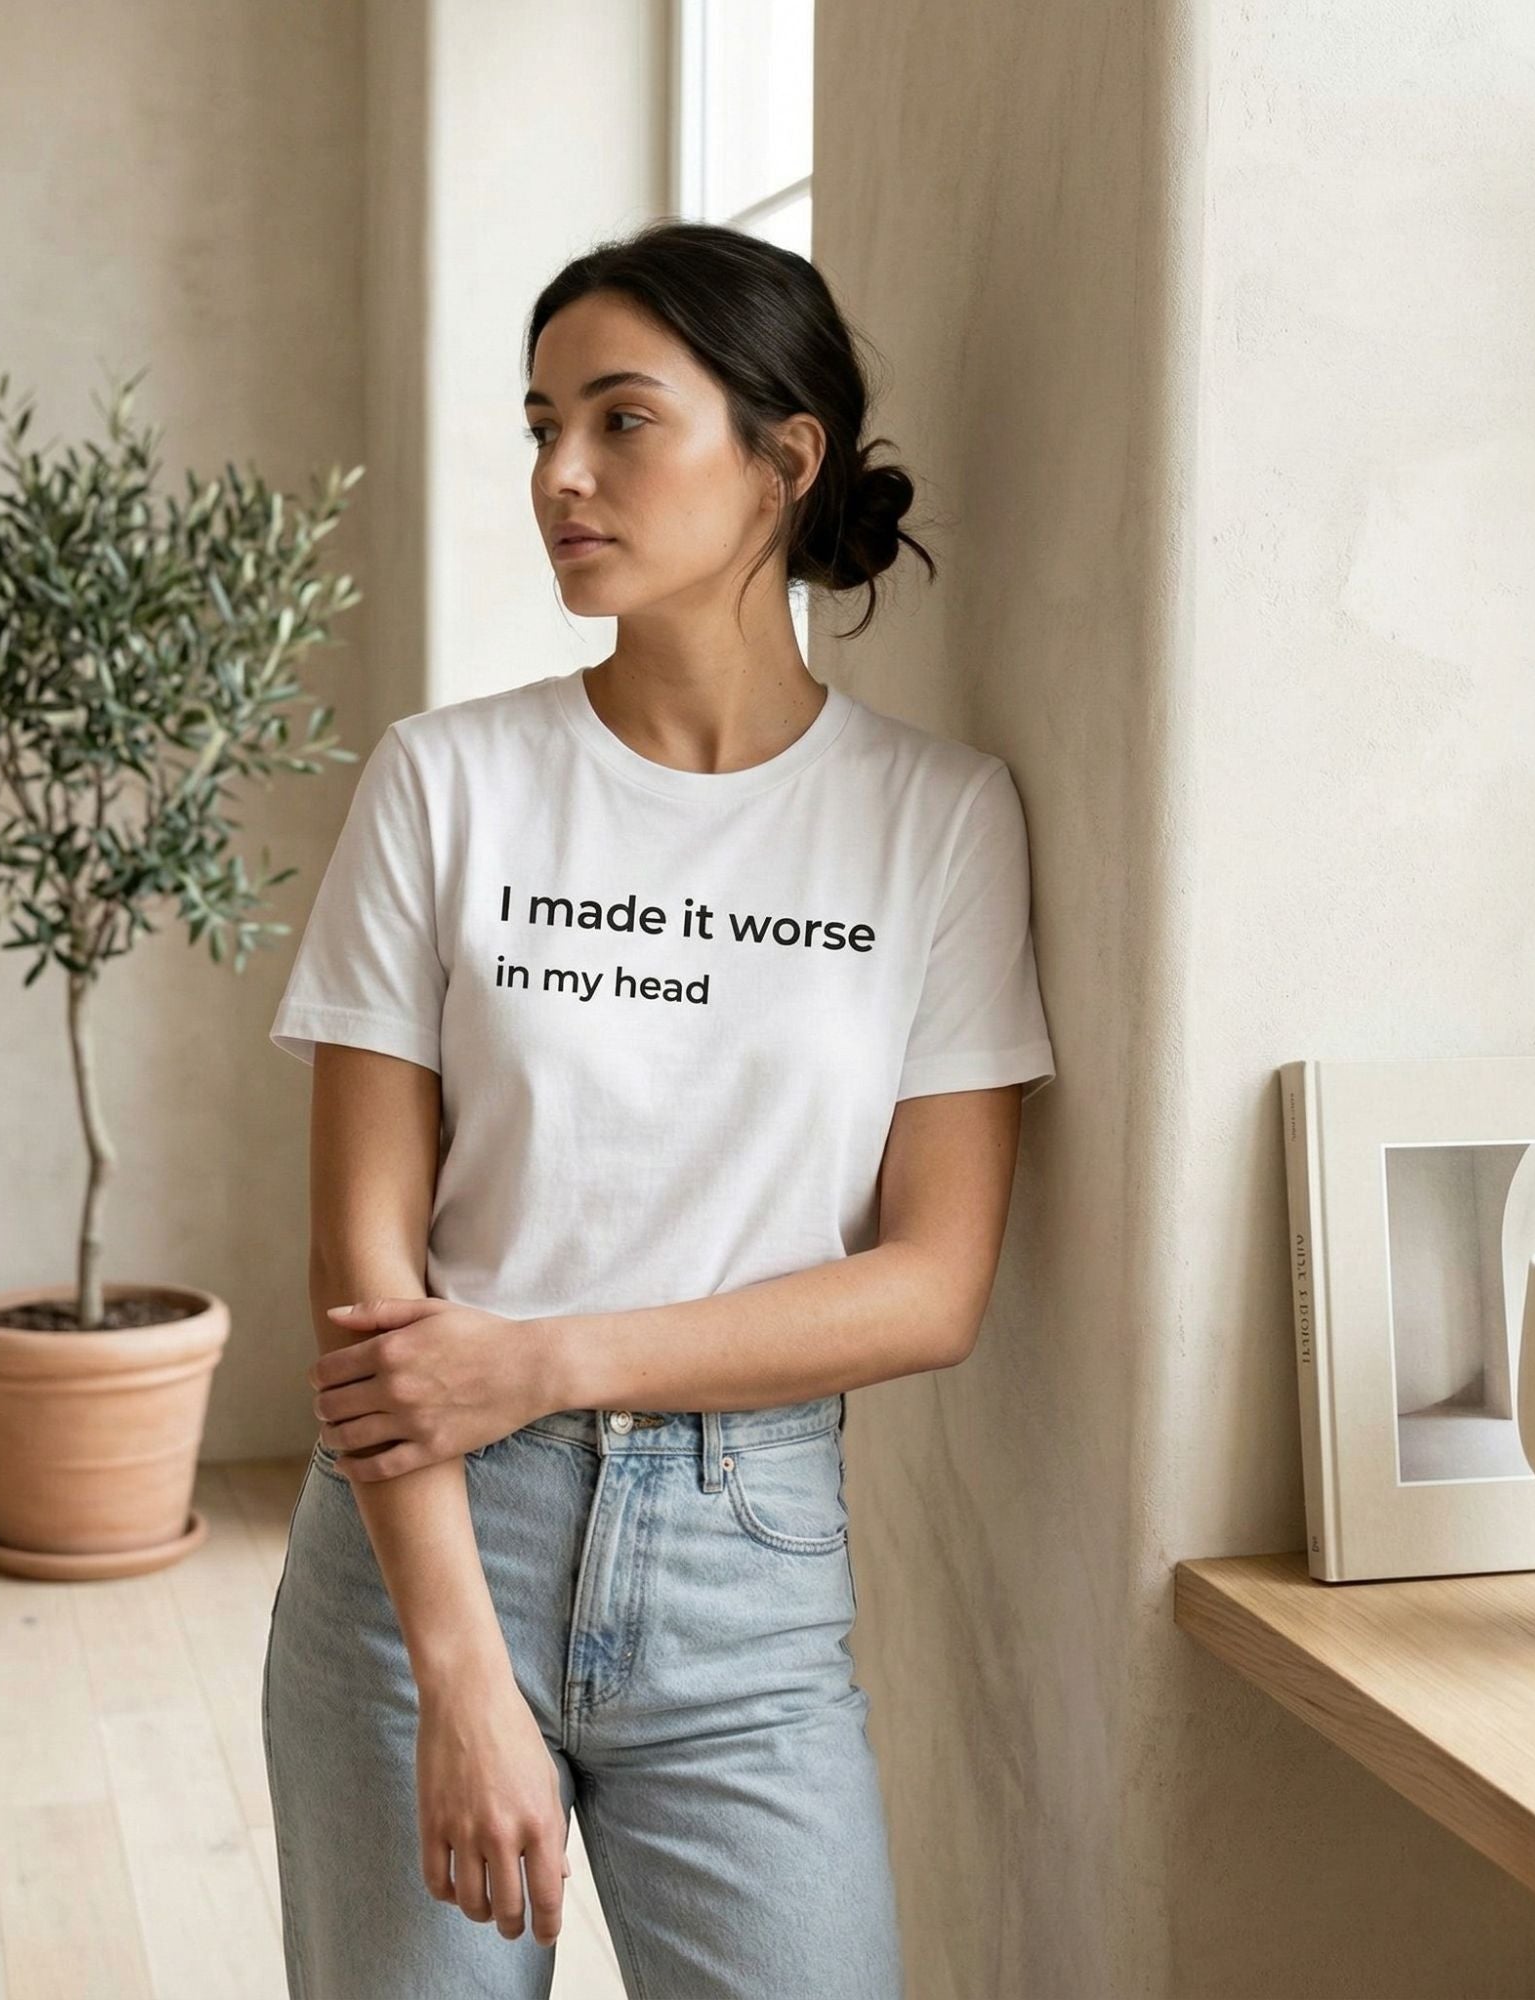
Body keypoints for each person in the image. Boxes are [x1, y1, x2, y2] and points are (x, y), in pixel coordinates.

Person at [260, 217, 1056, 1999]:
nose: (561, 472)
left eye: (622, 420)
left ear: (786, 459)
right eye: (542, 425)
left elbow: (932, 1287)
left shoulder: (937, 821)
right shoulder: (448, 783)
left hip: (746, 1571)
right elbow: (364, 1276)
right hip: (425, 1560)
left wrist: (547, 1359)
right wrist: (458, 1673)